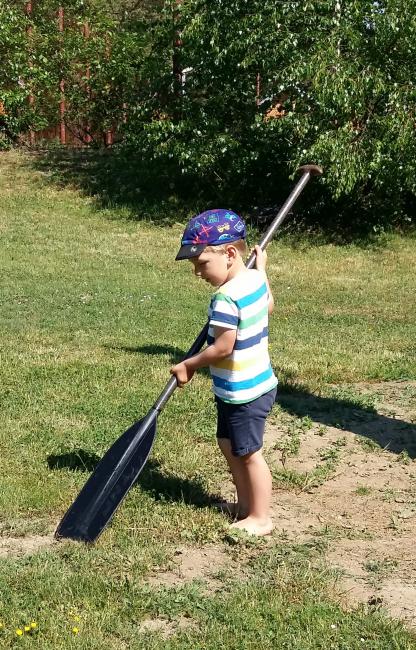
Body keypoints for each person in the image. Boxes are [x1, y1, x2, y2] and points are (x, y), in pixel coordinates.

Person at [171, 209, 278, 536]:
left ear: (230, 254)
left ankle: (261, 517)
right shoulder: (254, 279)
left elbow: (222, 348)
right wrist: (262, 271)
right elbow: (269, 305)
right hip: (243, 387)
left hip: (245, 392)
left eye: (202, 263)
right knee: (228, 444)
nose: (197, 272)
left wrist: (189, 364)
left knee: (249, 455)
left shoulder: (225, 298)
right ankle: (244, 507)